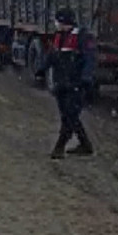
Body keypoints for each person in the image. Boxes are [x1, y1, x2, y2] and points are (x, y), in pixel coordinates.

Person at [37, 8, 96, 159]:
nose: (56, 24)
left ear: (64, 22)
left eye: (58, 21)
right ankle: (85, 145)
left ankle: (59, 148)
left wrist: (86, 78)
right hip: (61, 84)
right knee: (68, 116)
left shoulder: (82, 37)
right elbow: (52, 56)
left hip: (75, 84)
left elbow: (89, 59)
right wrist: (42, 69)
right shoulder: (59, 37)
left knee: (70, 116)